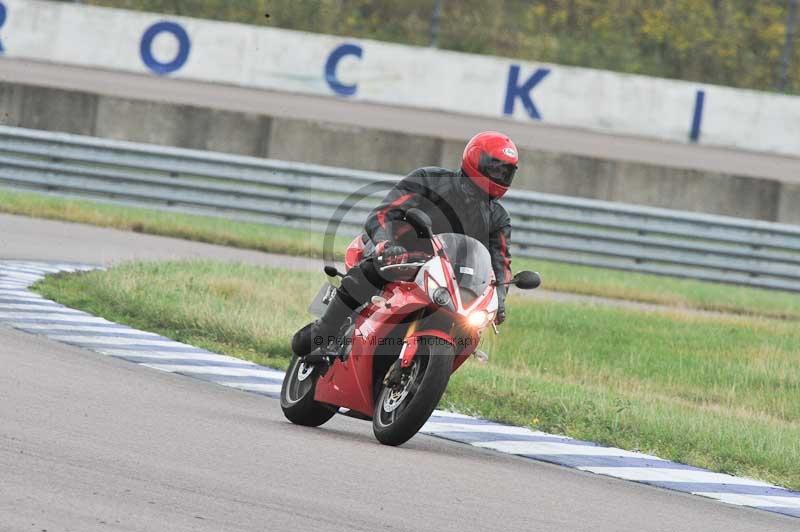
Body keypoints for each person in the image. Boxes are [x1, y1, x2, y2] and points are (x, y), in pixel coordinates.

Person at [292, 131, 518, 358]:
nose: (499, 176)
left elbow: (501, 262)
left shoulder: (498, 218)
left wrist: (499, 297)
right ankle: (325, 330)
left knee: (469, 326)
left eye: (505, 172)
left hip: (448, 277)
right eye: (495, 167)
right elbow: (383, 213)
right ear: (475, 159)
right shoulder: (430, 180)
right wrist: (385, 243)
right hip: (401, 253)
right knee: (373, 269)